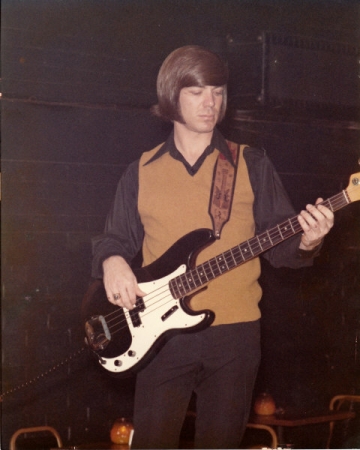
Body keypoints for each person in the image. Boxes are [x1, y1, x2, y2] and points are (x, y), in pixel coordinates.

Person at [91, 45, 334, 449]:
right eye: (197, 92)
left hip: (234, 340)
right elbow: (114, 239)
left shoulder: (251, 163)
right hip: (160, 337)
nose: (211, 103)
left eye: (218, 92)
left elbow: (282, 249)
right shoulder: (141, 171)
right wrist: (113, 261)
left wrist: (309, 241)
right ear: (172, 96)